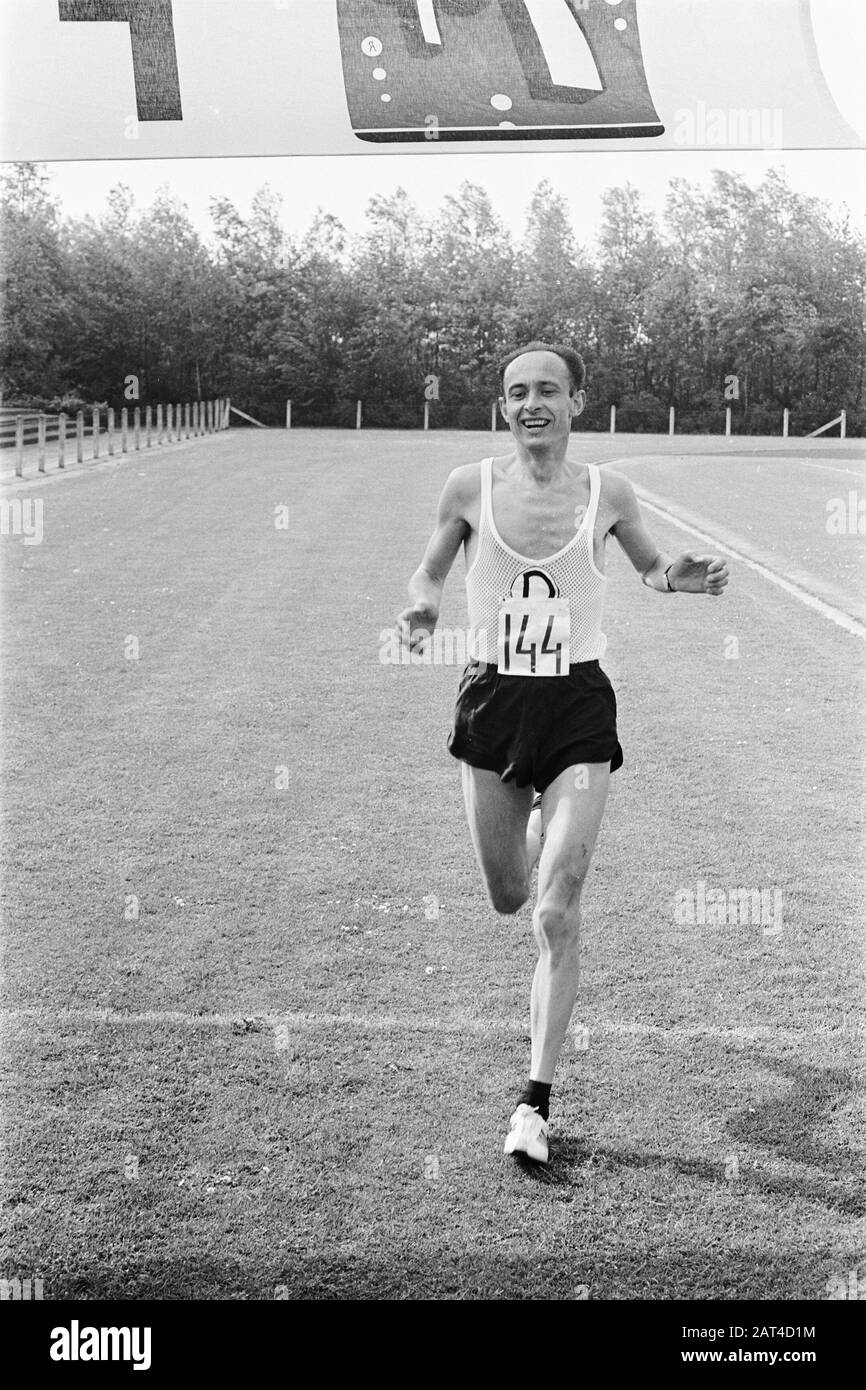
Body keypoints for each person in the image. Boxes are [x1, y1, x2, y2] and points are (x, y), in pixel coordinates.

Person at [395, 343, 729, 1164]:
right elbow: (430, 569)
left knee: (555, 911)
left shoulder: (607, 492)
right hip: (492, 706)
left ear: (578, 401)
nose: (532, 402)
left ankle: (533, 1105)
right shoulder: (469, 485)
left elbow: (650, 567)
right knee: (511, 896)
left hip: (579, 705)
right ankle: (538, 833)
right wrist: (421, 609)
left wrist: (672, 579)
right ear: (502, 407)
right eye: (517, 392)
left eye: (548, 389)